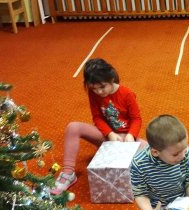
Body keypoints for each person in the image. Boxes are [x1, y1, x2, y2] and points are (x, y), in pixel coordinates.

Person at [51, 58, 142, 195]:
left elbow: (136, 119)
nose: (99, 92)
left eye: (102, 87)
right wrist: (110, 134)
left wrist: (131, 135)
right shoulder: (93, 93)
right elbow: (97, 117)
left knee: (153, 151)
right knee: (73, 127)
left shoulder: (127, 93)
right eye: (94, 88)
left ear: (111, 80)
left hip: (125, 140)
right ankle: (68, 174)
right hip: (106, 136)